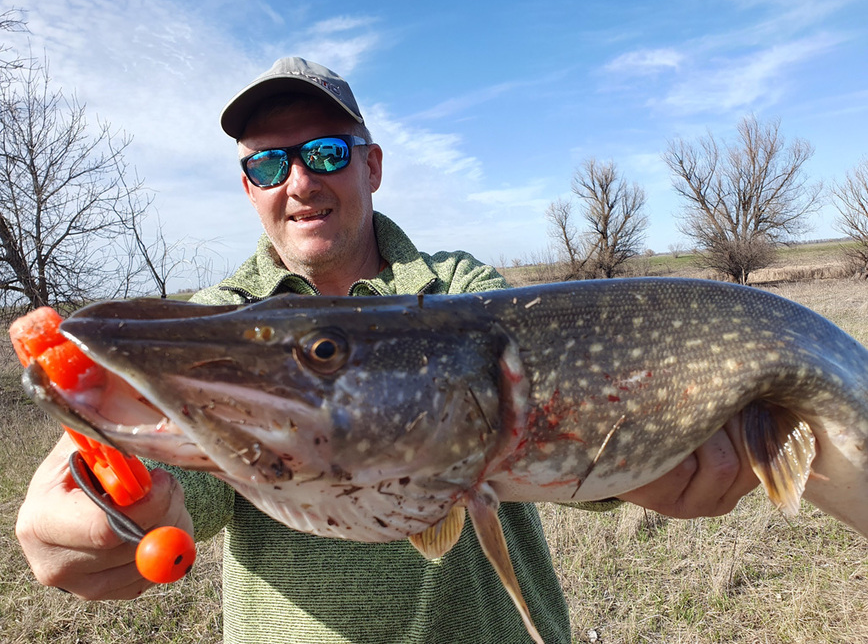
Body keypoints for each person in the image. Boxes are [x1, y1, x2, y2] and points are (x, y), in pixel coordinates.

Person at [15, 57, 759, 643]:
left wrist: (640, 466)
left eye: (325, 151)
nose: (299, 181)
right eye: (270, 164)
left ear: (371, 166)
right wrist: (119, 497)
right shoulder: (221, 320)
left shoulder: (464, 293)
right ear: (249, 187)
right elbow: (189, 479)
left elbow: (558, 421)